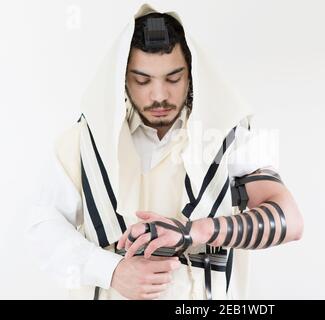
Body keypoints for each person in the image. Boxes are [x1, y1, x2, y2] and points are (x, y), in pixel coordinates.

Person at [27, 3, 304, 300]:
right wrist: (113, 270)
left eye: (173, 78)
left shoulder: (228, 137)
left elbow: (290, 219)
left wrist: (191, 233)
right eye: (142, 80)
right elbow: (44, 229)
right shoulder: (81, 142)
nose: (159, 95)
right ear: (122, 78)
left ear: (192, 76)